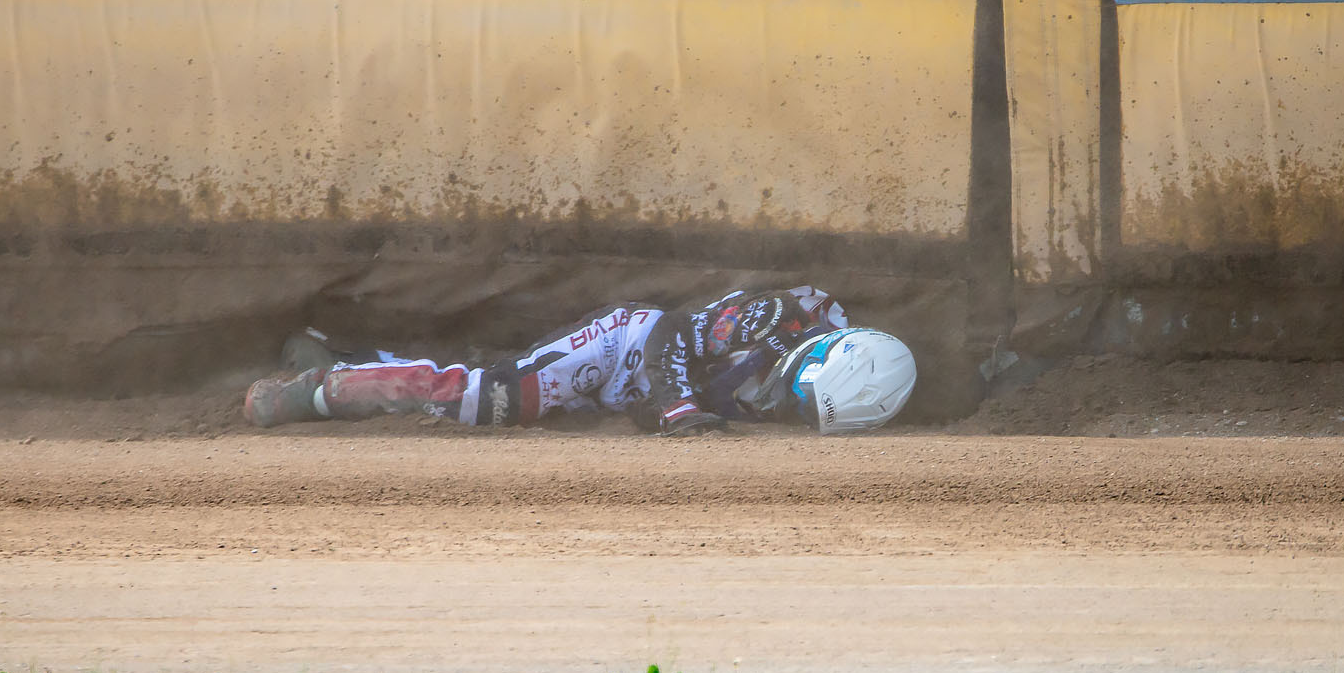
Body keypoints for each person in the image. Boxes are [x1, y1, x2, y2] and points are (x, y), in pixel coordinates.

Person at [243, 287, 917, 435]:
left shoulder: (853, 383)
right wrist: (677, 402)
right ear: (817, 357)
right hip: (629, 343)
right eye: (801, 397)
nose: (791, 410)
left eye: (805, 415)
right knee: (486, 400)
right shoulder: (781, 314)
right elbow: (673, 329)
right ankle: (316, 389)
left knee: (492, 381)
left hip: (638, 396)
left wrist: (662, 411)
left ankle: (342, 357)